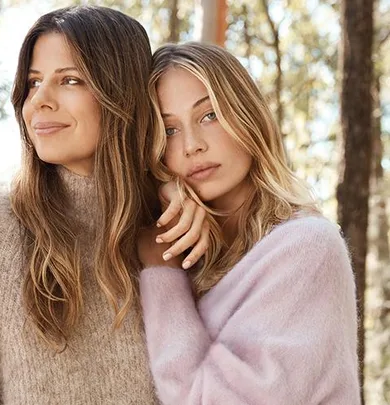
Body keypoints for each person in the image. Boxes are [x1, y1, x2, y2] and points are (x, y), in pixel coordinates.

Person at [0, 7, 206, 404]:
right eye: (33, 83)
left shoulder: (175, 231)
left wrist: (167, 189)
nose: (39, 102)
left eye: (69, 80)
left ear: (122, 94)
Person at [137, 42, 360, 404]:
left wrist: (160, 267)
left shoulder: (307, 248)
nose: (192, 145)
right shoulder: (185, 254)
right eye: (170, 131)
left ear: (247, 116)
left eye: (209, 115)